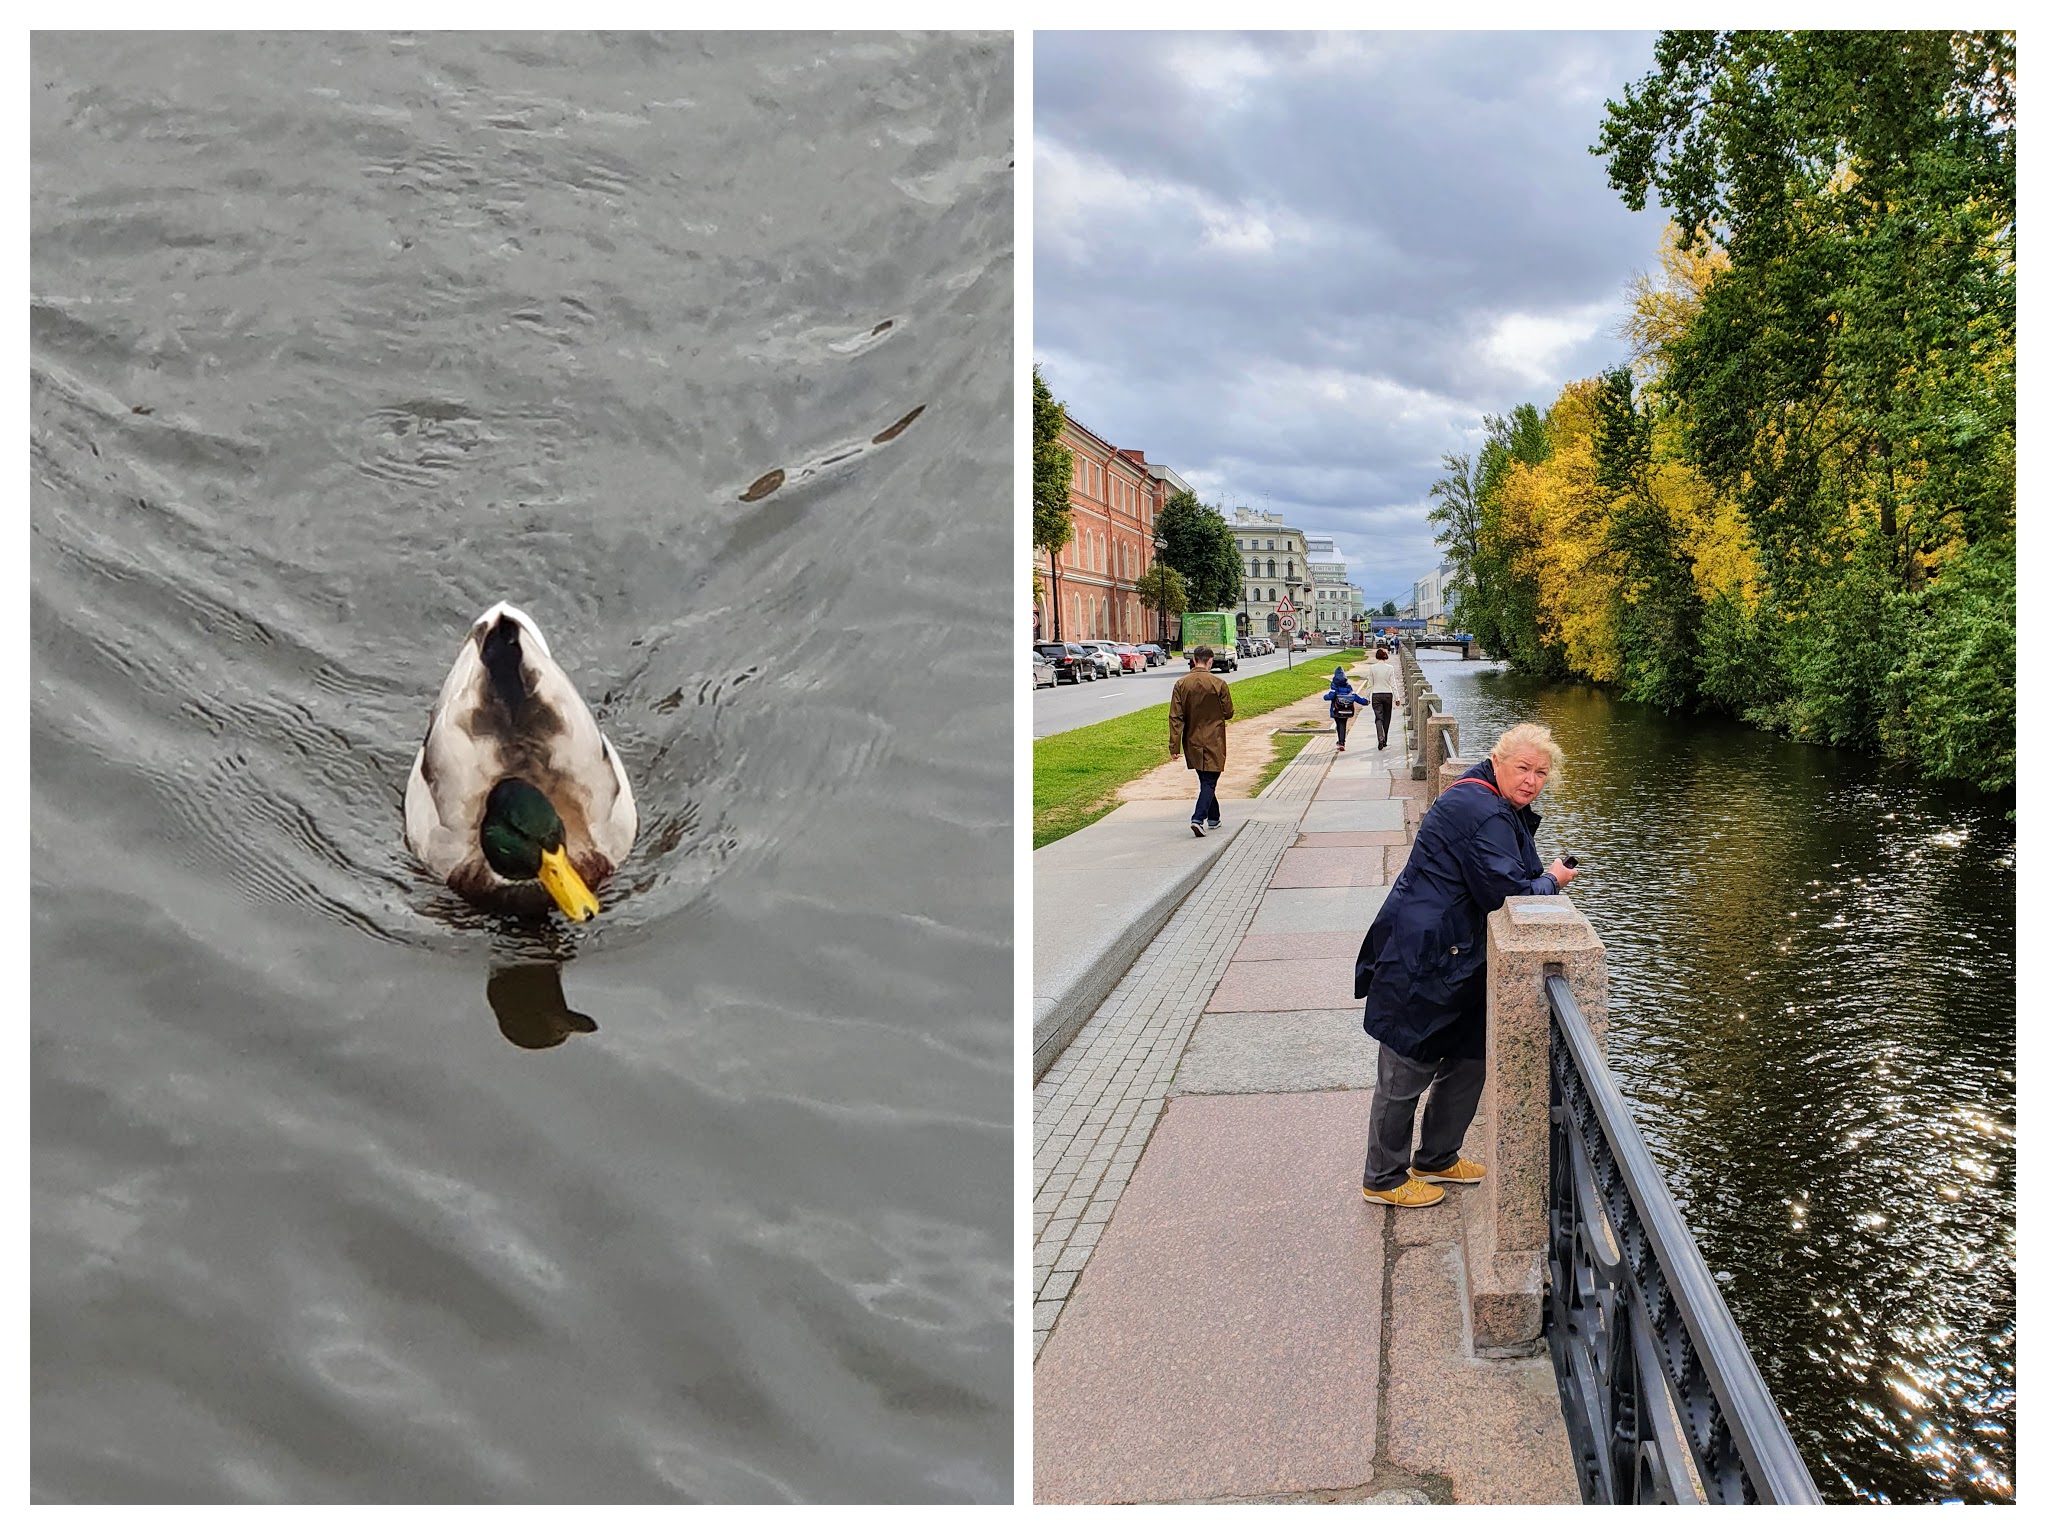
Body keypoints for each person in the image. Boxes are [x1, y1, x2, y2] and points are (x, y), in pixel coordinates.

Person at [1352, 722, 1577, 1207]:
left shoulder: (1491, 802)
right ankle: (1383, 1178)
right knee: (1405, 1068)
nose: (1532, 781)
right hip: (1426, 955)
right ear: (1498, 761)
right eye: (1523, 768)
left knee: (1468, 1058)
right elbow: (1507, 890)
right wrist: (1555, 881)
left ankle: (1436, 1158)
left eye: (1541, 773)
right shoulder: (1481, 809)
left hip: (1458, 956)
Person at [1168, 644, 1234, 837]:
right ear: (1210, 661)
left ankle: (1214, 817)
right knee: (1210, 780)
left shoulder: (1181, 684)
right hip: (1214, 738)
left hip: (1192, 739)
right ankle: (1198, 818)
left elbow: (1175, 717)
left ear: (1194, 660)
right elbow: (1229, 713)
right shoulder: (1219, 683)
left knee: (1206, 779)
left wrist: (1174, 745)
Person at [1364, 647, 1401, 751]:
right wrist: (1397, 698)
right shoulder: (1390, 668)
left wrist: (1367, 697)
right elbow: (1393, 684)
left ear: (1377, 656)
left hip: (1376, 695)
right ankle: (1385, 741)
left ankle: (1380, 737)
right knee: (1387, 718)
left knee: (1378, 718)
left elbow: (1370, 684)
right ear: (1386, 656)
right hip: (1388, 695)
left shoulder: (1372, 668)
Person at [1322, 666, 1359, 751]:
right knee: (1343, 724)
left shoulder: (1334, 685)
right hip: (1347, 709)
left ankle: (1341, 742)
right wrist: (1365, 701)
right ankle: (1342, 742)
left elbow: (1331, 696)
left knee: (1339, 724)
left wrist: (1325, 697)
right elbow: (1354, 696)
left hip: (1337, 709)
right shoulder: (1348, 686)